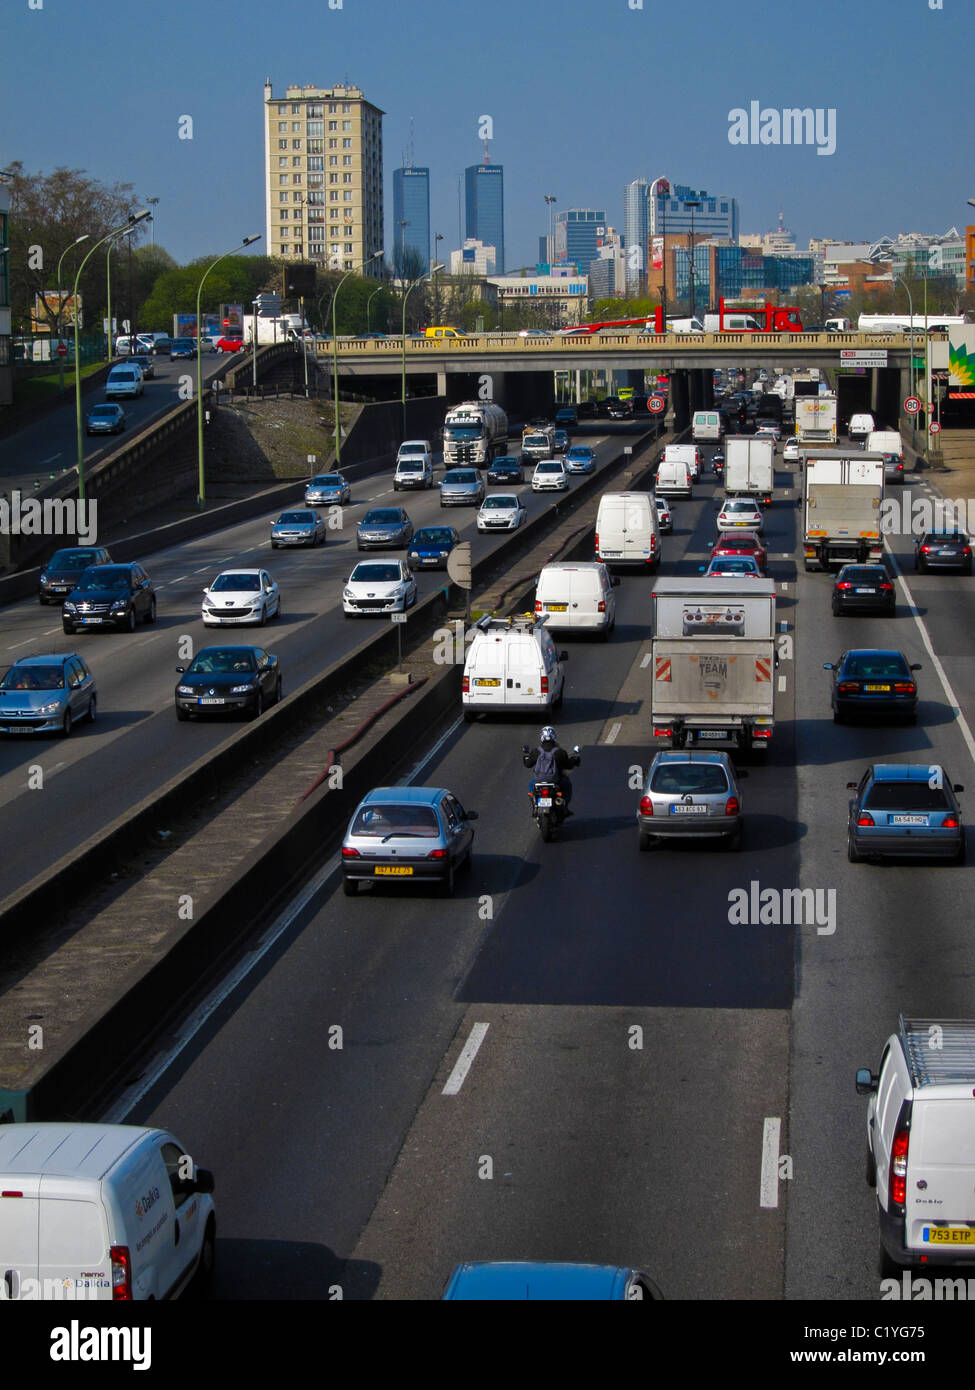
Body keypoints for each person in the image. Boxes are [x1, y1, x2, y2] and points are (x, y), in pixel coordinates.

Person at [523, 726, 580, 816]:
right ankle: (564, 806)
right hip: (555, 780)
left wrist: (525, 756)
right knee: (568, 785)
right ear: (554, 737)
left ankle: (534, 804)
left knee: (531, 784)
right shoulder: (560, 752)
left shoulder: (536, 751)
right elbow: (569, 765)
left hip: (539, 781)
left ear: (542, 736)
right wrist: (575, 759)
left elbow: (527, 764)